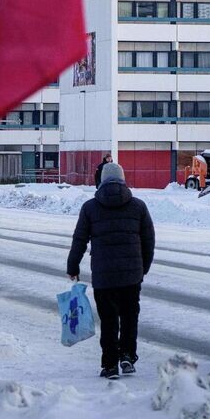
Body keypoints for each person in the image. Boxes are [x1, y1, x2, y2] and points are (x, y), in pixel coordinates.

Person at [67, 162, 155, 379]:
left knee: (108, 320)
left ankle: (109, 365)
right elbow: (148, 241)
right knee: (129, 317)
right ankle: (127, 356)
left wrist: (73, 266)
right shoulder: (138, 206)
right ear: (123, 180)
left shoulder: (90, 208)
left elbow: (80, 239)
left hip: (103, 276)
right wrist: (143, 268)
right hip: (131, 274)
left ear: (101, 180)